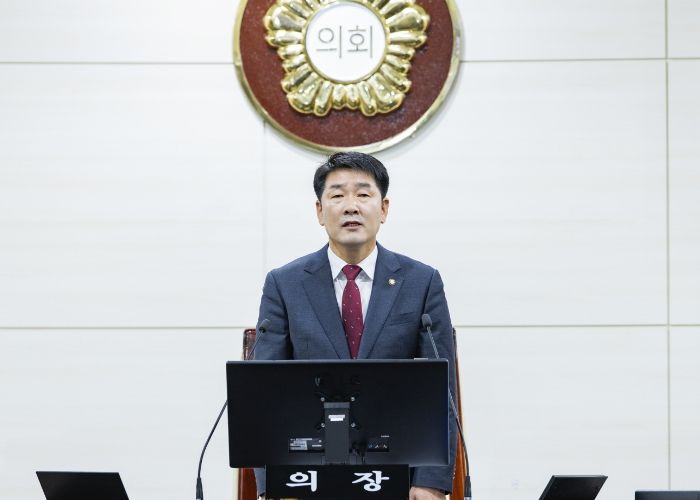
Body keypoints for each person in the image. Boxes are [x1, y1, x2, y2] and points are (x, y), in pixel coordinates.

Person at [253, 152, 457, 500]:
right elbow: (264, 395)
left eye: (363, 194)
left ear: (384, 208)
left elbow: (442, 392)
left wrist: (429, 483)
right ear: (320, 211)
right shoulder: (285, 284)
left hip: (398, 475)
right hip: (307, 478)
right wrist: (273, 485)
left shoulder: (421, 282)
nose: (351, 206)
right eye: (337, 195)